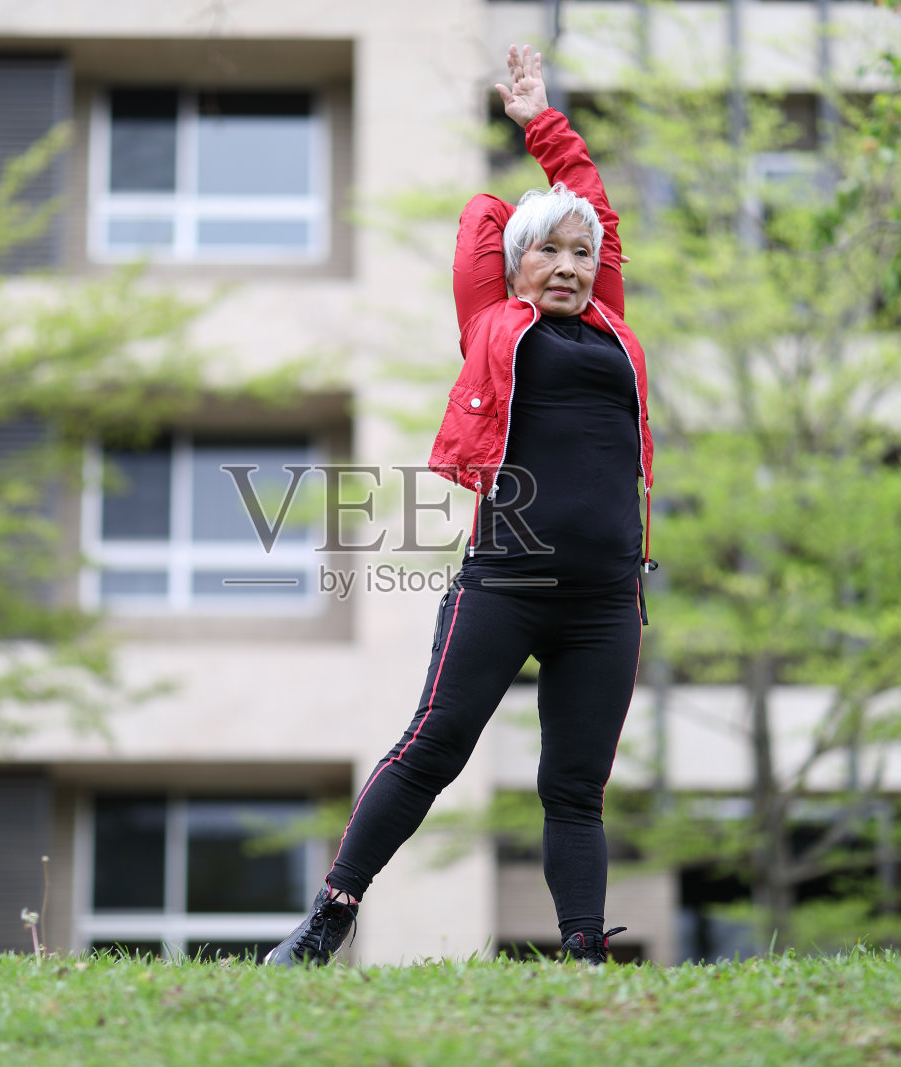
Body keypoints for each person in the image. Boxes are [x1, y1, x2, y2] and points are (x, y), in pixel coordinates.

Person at [264, 44, 655, 968]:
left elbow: (592, 201)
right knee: (433, 747)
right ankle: (330, 916)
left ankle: (583, 952)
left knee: (575, 786)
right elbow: (487, 218)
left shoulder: (613, 326)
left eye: (580, 253)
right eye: (545, 253)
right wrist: (528, 166)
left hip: (607, 597)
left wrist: (548, 126)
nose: (567, 265)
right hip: (507, 580)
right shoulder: (494, 323)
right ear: (514, 267)